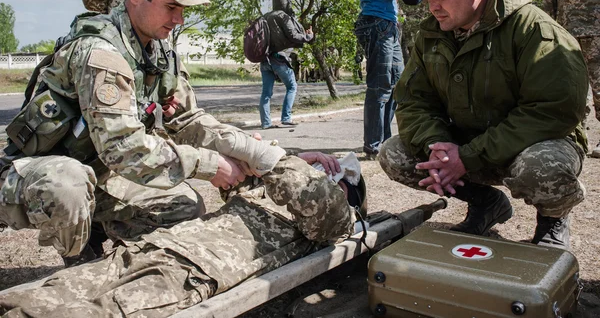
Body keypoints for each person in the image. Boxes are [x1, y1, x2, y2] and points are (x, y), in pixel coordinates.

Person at [0, 0, 289, 267]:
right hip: (32, 177)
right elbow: (123, 149)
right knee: (68, 183)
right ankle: (78, 259)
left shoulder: (158, 57)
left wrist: (243, 147)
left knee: (183, 205)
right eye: (171, 6)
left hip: (99, 173)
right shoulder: (100, 53)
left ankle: (97, 225)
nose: (179, 19)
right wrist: (212, 165)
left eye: (183, 8)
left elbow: (188, 120)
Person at [378, 0, 588, 250]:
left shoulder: (534, 30)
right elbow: (414, 101)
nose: (432, 6)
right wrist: (436, 146)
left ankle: (553, 219)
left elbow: (552, 112)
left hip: (537, 143)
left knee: (541, 168)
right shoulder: (432, 35)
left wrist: (468, 156)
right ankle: (487, 203)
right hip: (473, 145)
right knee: (395, 154)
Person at [0, 152, 361, 318]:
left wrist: (283, 159)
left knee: (98, 312)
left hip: (192, 271)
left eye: (334, 174)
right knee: (55, 289)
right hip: (157, 246)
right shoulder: (266, 195)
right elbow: (249, 175)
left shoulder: (336, 218)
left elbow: (308, 193)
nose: (325, 171)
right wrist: (293, 157)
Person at [544, 0, 600, 158]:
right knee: (572, 88)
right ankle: (577, 139)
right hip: (568, 34)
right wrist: (547, 27)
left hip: (597, 31)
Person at [349, 0, 405, 158]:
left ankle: (384, 139)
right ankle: (373, 145)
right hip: (375, 24)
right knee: (379, 87)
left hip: (388, 25)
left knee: (398, 83)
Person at [259, 0, 314, 130]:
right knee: (292, 87)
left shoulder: (264, 17)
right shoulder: (283, 16)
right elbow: (293, 36)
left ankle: (266, 123)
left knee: (266, 93)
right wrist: (308, 37)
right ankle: (286, 118)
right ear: (286, 2)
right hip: (279, 59)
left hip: (265, 60)